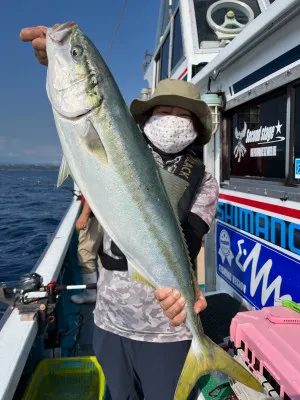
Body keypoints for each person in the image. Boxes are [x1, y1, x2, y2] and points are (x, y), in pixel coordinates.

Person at [20, 25, 219, 400]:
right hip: (110, 319)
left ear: (196, 127)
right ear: (146, 119)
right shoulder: (124, 141)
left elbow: (189, 240)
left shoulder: (204, 181)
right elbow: (103, 122)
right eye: (164, 110)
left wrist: (186, 290)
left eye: (184, 114)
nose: (174, 119)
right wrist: (59, 58)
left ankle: (201, 351)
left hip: (167, 327)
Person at [71, 195, 103, 304]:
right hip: (104, 214)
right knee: (103, 256)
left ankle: (90, 295)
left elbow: (94, 189)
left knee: (85, 254)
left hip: (94, 216)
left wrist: (84, 214)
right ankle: (104, 292)